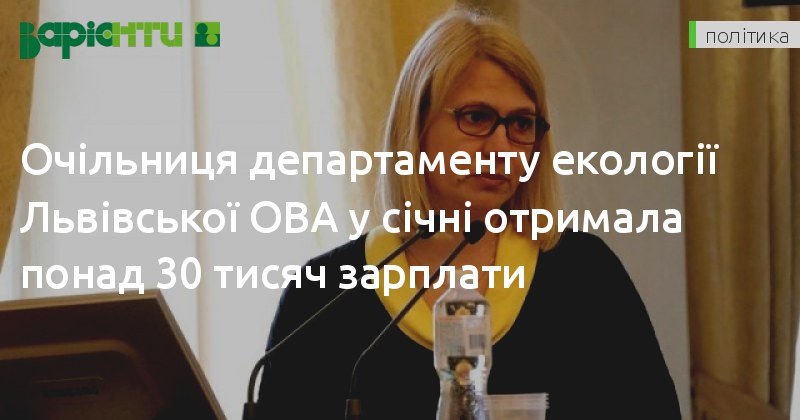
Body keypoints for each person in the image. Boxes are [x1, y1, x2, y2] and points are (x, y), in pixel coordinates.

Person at [256, 8, 681, 419]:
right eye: (476, 117)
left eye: (521, 124)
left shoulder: (587, 275)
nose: (501, 148)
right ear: (415, 126)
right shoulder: (324, 295)